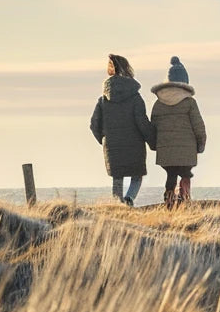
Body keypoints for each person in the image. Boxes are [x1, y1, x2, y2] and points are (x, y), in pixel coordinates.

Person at [89, 53, 155, 206]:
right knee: (137, 176)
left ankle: (117, 205)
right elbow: (142, 122)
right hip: (134, 145)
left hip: (112, 145)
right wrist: (153, 141)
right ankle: (129, 199)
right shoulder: (135, 98)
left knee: (117, 178)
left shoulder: (103, 100)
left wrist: (104, 140)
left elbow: (94, 124)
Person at [149, 56, 207, 208]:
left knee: (171, 174)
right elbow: (198, 126)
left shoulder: (158, 104)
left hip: (166, 150)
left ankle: (169, 201)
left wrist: (155, 145)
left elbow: (153, 126)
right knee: (186, 173)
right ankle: (184, 199)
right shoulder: (189, 102)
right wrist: (201, 144)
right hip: (186, 150)